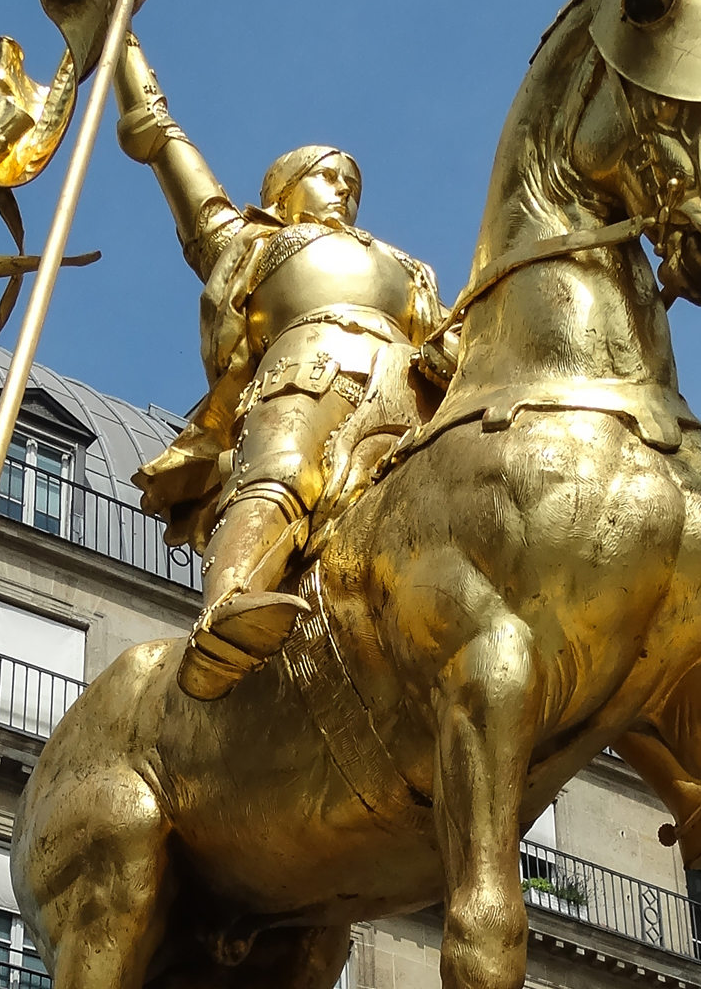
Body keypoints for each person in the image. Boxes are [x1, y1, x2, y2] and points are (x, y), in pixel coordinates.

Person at [113, 37, 457, 697]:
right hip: (308, 372)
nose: (345, 193)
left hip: (409, 393)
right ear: (285, 188)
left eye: (353, 186)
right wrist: (121, 50)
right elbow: (160, 140)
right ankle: (228, 610)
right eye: (329, 178)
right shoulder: (252, 243)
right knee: (282, 472)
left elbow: (452, 334)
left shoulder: (407, 268)